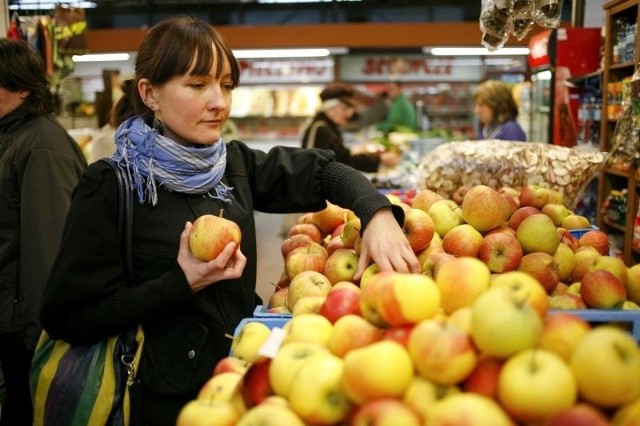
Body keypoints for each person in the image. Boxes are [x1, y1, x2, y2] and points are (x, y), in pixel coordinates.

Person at [39, 15, 420, 425]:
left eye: (226, 85)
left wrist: (377, 213)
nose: (219, 101)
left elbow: (324, 171)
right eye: (198, 85)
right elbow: (67, 316)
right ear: (150, 93)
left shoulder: (233, 165)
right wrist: (180, 283)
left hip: (237, 383)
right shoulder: (111, 186)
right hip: (160, 403)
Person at [0, 39, 87, 426]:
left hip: (23, 332)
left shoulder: (43, 147)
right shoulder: (12, 137)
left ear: (21, 88)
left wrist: (40, 339)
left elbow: (47, 250)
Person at [302, 82, 400, 173]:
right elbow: (341, 162)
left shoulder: (329, 128)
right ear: (330, 107)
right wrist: (379, 160)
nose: (349, 114)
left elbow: (340, 157)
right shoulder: (321, 129)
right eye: (345, 108)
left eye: (350, 109)